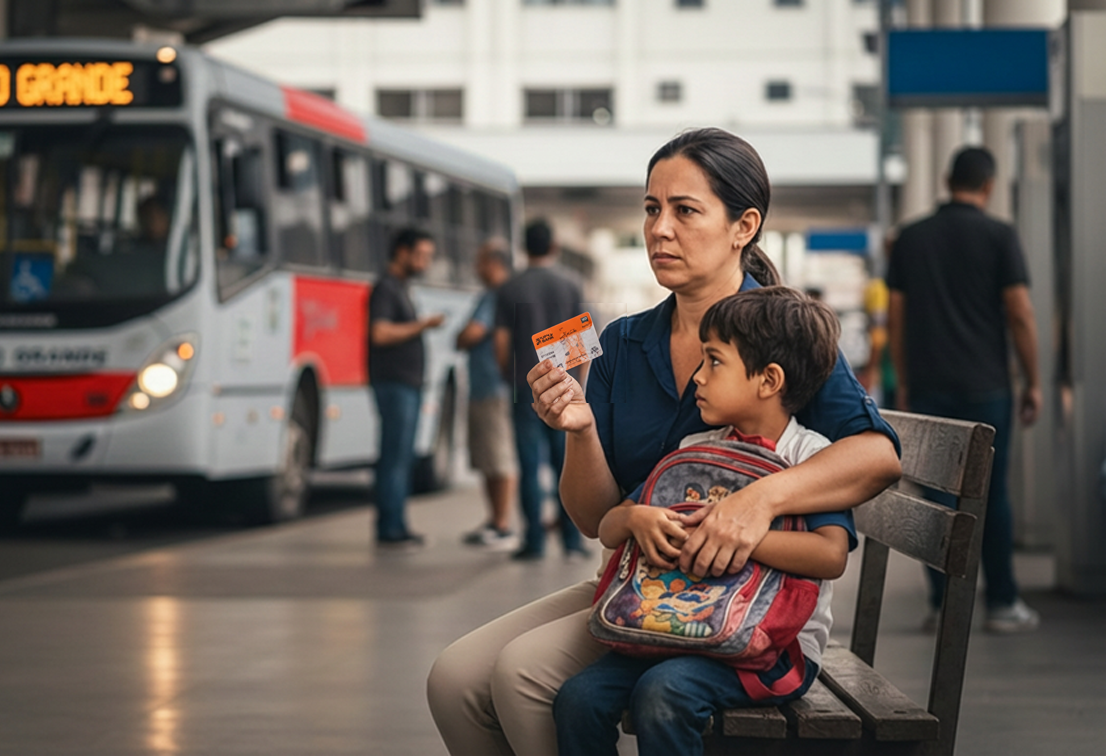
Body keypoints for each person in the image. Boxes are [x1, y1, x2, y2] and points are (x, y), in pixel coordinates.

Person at [427, 127, 901, 756]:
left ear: (744, 226)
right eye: (652, 209)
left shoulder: (779, 335)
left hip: (733, 602)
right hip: (636, 585)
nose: (660, 229)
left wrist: (753, 505)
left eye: (685, 211)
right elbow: (595, 519)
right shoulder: (622, 342)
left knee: (521, 676)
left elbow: (877, 454)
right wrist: (582, 431)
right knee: (452, 681)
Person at [554, 286, 851, 756]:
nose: (698, 376)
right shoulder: (693, 449)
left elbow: (830, 554)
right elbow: (608, 527)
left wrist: (736, 535)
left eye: (714, 362)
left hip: (771, 650)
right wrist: (638, 520)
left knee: (663, 693)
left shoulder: (809, 457)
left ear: (769, 380)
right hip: (675, 630)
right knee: (578, 699)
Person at [886, 146, 1042, 634]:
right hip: (986, 388)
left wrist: (904, 382)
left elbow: (896, 317)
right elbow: (1019, 311)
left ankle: (944, 604)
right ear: (988, 186)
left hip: (929, 386)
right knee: (992, 497)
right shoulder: (999, 235)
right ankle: (1002, 603)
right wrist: (1033, 380)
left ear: (946, 179)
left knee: (936, 502)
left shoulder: (911, 238)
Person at [494, 219, 589, 562]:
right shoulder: (570, 284)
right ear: (553, 247)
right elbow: (581, 342)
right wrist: (576, 383)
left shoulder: (509, 287)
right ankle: (572, 541)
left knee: (528, 464)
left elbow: (501, 342)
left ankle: (533, 542)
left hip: (524, 386)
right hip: (563, 386)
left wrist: (510, 377)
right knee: (565, 462)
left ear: (524, 248)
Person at [368, 228, 445, 548]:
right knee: (395, 456)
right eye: (421, 255)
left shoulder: (401, 288)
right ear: (402, 251)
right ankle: (391, 527)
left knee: (402, 456)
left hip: (406, 384)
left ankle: (397, 522)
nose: (425, 262)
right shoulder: (386, 288)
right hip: (394, 383)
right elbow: (381, 333)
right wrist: (422, 325)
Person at [456, 241, 518, 551]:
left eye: (481, 263)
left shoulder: (496, 297)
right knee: (489, 457)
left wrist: (461, 336)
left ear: (494, 264)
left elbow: (471, 334)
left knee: (498, 457)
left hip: (495, 387)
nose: (476, 269)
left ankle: (502, 523)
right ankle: (496, 520)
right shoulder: (500, 295)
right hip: (491, 387)